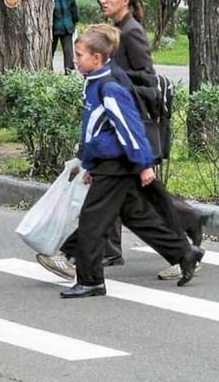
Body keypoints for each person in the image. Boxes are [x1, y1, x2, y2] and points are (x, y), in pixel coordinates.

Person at [37, 0, 205, 282]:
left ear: (125, 0)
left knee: (107, 210)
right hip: (119, 140)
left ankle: (84, 270)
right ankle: (182, 251)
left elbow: (148, 83)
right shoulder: (109, 39)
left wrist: (117, 86)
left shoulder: (130, 36)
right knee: (133, 210)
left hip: (129, 134)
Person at [60, 24, 200, 298]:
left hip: (116, 163)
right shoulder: (98, 80)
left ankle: (91, 281)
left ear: (97, 58)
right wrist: (88, 164)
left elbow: (129, 126)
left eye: (79, 55)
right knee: (135, 214)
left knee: (91, 220)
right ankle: (183, 253)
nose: (75, 60)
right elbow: (95, 129)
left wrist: (144, 163)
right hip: (110, 161)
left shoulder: (109, 86)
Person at [52, 0, 79, 73]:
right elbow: (74, 8)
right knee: (68, 52)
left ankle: (46, 72)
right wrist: (74, 21)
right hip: (67, 26)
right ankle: (69, 73)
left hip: (52, 26)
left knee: (49, 52)